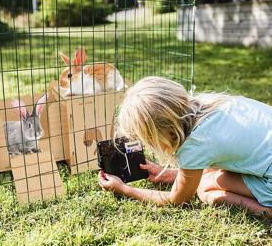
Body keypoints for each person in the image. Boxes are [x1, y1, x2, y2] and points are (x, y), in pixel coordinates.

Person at [98, 76, 272, 217]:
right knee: (210, 174)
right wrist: (167, 175)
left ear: (162, 133)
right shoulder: (206, 103)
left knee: (205, 189)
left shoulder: (195, 144)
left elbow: (177, 200)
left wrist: (124, 189)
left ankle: (267, 211)